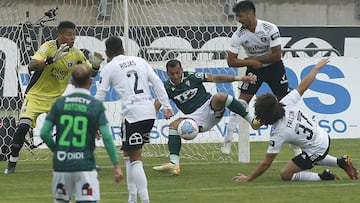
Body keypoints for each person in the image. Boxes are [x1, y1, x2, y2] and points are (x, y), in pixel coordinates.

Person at [232, 58, 358, 182]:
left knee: (286, 174)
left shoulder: (279, 132)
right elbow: (303, 86)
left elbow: (266, 163)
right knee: (312, 156)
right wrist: (316, 68)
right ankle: (341, 162)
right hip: (321, 135)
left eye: (259, 115)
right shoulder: (285, 103)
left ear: (267, 116)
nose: (258, 117)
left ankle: (325, 176)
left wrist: (248, 178)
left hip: (317, 147)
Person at [4, 20, 104, 174]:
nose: (73, 38)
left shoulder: (76, 54)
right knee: (23, 126)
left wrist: (96, 66)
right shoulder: (48, 47)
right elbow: (31, 66)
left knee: (67, 127)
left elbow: (90, 73)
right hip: (35, 96)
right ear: (60, 35)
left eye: (74, 34)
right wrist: (51, 60)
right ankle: (12, 163)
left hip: (56, 98)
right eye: (69, 34)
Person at [95, 36, 173, 203]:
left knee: (135, 157)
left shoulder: (109, 67)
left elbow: (100, 94)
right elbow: (158, 82)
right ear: (123, 49)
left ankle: (144, 200)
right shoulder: (140, 61)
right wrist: (167, 106)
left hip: (133, 114)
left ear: (107, 53)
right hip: (149, 111)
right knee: (128, 154)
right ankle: (131, 198)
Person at [152, 59, 259, 176]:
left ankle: (252, 121)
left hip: (210, 107)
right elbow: (158, 103)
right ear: (167, 73)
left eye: (178, 72)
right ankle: (174, 165)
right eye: (172, 74)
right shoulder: (166, 87)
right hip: (194, 118)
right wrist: (155, 116)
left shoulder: (192, 76)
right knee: (173, 126)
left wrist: (240, 78)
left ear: (182, 70)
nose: (176, 76)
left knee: (220, 96)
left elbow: (215, 78)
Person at [221, 0, 301, 155]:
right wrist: (251, 62)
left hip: (274, 68)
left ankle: (295, 145)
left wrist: (257, 61)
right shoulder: (239, 35)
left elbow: (277, 55)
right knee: (242, 100)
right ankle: (228, 141)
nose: (238, 19)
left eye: (240, 16)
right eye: (236, 16)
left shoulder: (269, 28)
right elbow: (231, 61)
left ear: (250, 13)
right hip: (254, 69)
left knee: (284, 103)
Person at [40, 64, 123, 202]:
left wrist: (58, 150)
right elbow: (107, 136)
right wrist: (116, 165)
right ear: (90, 82)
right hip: (85, 165)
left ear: (72, 82)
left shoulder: (59, 103)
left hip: (61, 166)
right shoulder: (95, 105)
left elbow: (44, 133)